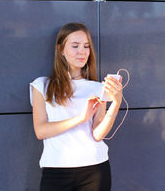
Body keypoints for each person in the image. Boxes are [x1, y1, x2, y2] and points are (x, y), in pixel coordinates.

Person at [30, 22, 123, 191]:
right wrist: (80, 118)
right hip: (56, 170)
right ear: (60, 49)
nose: (82, 51)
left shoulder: (97, 88)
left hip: (95, 169)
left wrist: (116, 103)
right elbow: (41, 131)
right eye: (75, 46)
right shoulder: (41, 86)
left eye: (86, 46)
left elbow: (97, 134)